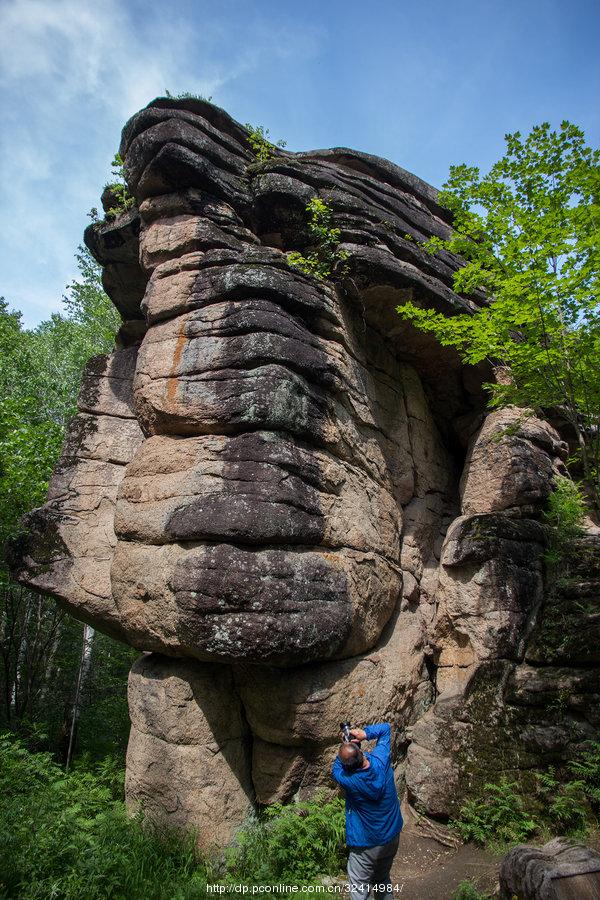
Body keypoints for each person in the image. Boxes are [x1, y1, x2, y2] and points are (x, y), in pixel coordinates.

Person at [331, 722, 403, 897]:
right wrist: (364, 734)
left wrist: (346, 745)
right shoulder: (381, 760)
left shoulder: (350, 780)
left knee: (358, 889)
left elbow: (336, 769)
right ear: (362, 754)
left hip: (366, 844)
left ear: (347, 768)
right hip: (391, 836)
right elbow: (385, 729)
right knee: (382, 880)